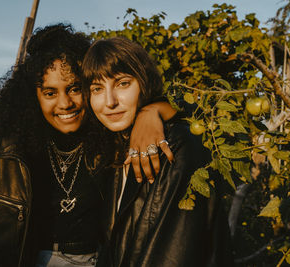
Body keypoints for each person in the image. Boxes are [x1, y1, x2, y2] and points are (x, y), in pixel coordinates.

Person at [0, 25, 175, 267]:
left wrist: (152, 112)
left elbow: (189, 112)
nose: (65, 103)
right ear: (31, 96)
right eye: (50, 93)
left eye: (75, 88)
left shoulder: (114, 137)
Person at [82, 37, 233, 267]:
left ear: (144, 82)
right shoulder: (115, 149)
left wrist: (154, 109)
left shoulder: (174, 144)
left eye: (123, 83)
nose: (109, 101)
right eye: (97, 88)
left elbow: (172, 254)